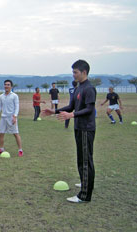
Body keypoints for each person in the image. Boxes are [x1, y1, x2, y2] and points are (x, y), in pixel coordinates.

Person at [42, 60, 96, 203]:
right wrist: (54, 111)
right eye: (73, 72)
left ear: (84, 72)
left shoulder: (89, 88)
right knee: (81, 159)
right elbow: (71, 106)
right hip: (78, 127)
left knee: (85, 161)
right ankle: (86, 182)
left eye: (75, 72)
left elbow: (90, 109)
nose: (73, 75)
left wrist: (72, 115)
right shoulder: (79, 88)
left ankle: (84, 196)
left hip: (86, 128)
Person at [0, 80, 23, 157]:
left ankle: (20, 150)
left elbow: (17, 107)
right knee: (1, 133)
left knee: (16, 134)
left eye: (8, 85)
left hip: (11, 117)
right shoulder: (1, 96)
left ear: (11, 86)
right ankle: (1, 149)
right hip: (3, 117)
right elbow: (0, 106)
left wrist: (15, 116)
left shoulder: (14, 96)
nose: (6, 86)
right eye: (5, 85)